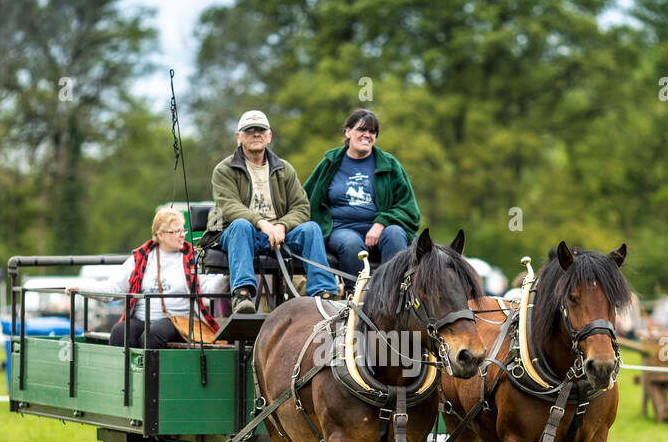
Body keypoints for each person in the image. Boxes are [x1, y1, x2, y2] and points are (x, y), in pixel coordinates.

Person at [207, 109, 335, 315]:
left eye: (261, 130)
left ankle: (323, 295)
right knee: (241, 225)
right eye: (249, 131)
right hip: (240, 234)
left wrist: (281, 226)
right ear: (238, 137)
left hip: (279, 236)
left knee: (310, 228)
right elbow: (229, 207)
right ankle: (242, 296)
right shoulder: (224, 170)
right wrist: (263, 223)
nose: (256, 134)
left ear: (269, 136)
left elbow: (301, 207)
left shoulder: (285, 169)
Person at [69, 207, 228, 348]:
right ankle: (122, 379)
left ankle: (150, 381)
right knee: (119, 332)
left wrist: (229, 276)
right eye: (176, 231)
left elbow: (210, 287)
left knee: (152, 335)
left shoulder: (192, 258)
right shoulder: (140, 258)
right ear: (160, 235)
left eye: (183, 230)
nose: (182, 235)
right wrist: (82, 289)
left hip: (182, 321)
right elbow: (113, 288)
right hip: (142, 319)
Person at [304, 110, 420, 287]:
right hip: (341, 230)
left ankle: (393, 293)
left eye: (372, 132)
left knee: (396, 234)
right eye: (361, 130)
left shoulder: (389, 165)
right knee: (351, 244)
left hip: (382, 231)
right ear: (348, 132)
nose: (367, 135)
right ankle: (359, 297)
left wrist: (381, 222)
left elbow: (408, 209)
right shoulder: (330, 163)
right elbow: (305, 198)